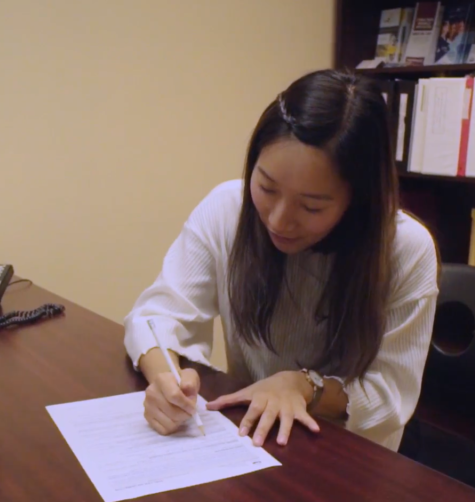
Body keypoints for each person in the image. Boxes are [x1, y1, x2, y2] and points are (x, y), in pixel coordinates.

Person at [124, 69, 439, 452]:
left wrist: (304, 387)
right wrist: (165, 381)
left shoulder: (404, 249)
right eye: (267, 187)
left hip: (349, 456)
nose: (277, 220)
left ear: (359, 199)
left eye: (311, 206)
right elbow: (154, 316)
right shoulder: (228, 209)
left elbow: (391, 397)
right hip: (251, 443)